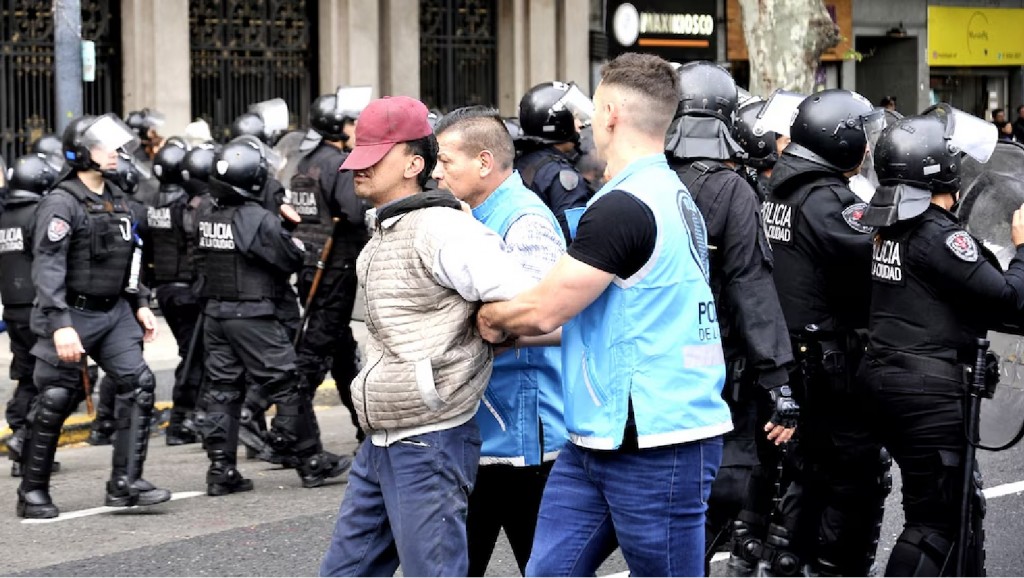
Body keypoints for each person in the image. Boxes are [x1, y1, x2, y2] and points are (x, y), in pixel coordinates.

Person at [476, 52, 730, 577]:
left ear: (610, 113)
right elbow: (604, 316)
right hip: (600, 434)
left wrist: (488, 318)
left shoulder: (625, 206)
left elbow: (546, 308)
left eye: (593, 109)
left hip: (657, 439)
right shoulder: (664, 193)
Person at [318, 96, 534, 577]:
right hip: (381, 440)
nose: (360, 168)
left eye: (376, 155)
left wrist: (488, 326)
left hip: (430, 438)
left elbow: (526, 300)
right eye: (359, 154)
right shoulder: (385, 230)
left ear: (415, 163)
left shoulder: (443, 228)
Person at [858, 107, 1009, 576]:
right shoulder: (937, 236)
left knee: (952, 513)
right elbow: (1009, 300)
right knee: (938, 521)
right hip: (928, 392)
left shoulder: (889, 229)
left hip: (889, 380)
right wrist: (1022, 248)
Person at [664, 61, 798, 574]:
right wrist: (780, 382)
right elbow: (751, 286)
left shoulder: (637, 179)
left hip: (648, 366)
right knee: (721, 487)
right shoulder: (731, 189)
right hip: (715, 362)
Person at [759, 89, 891, 576]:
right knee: (854, 477)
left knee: (808, 475)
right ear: (840, 142)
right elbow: (879, 255)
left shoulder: (783, 189)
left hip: (796, 359)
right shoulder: (827, 201)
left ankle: (793, 563)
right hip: (831, 365)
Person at [431, 105, 568, 576]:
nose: (436, 171)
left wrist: (481, 324)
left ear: (484, 162)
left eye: (446, 161)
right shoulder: (471, 214)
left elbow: (550, 321)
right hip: (484, 429)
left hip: (523, 438)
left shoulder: (523, 220)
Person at [18, 114, 171, 519]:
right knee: (54, 399)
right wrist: (61, 324)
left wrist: (139, 303)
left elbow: (133, 256)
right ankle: (32, 491)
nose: (117, 154)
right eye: (106, 147)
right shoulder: (60, 202)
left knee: (138, 384)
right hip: (71, 313)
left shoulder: (119, 198)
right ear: (82, 153)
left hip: (114, 312)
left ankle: (125, 483)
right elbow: (47, 267)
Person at [192, 135, 350, 495]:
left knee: (222, 389)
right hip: (253, 314)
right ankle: (310, 460)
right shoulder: (256, 219)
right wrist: (290, 234)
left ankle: (221, 469)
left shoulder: (207, 212)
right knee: (287, 384)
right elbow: (289, 257)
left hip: (217, 313)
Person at [291, 92, 369, 443]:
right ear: (339, 126)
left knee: (341, 353)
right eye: (352, 122)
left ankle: (363, 429)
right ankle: (289, 431)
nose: (356, 128)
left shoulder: (306, 162)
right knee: (314, 353)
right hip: (335, 266)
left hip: (312, 261)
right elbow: (354, 213)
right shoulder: (339, 163)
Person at [1, 154, 62, 477]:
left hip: (12, 308)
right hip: (38, 309)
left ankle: (22, 443)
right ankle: (28, 439)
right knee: (50, 380)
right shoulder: (38, 215)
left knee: (26, 376)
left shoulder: (5, 217)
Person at [147, 137, 203, 445]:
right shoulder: (185, 205)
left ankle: (188, 417)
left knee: (191, 353)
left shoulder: (153, 202)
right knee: (196, 356)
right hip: (187, 290)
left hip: (166, 288)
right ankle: (182, 420)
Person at [515, 81, 593, 242]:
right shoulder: (562, 177)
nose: (579, 125)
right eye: (575, 118)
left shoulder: (522, 160)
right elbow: (577, 240)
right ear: (557, 123)